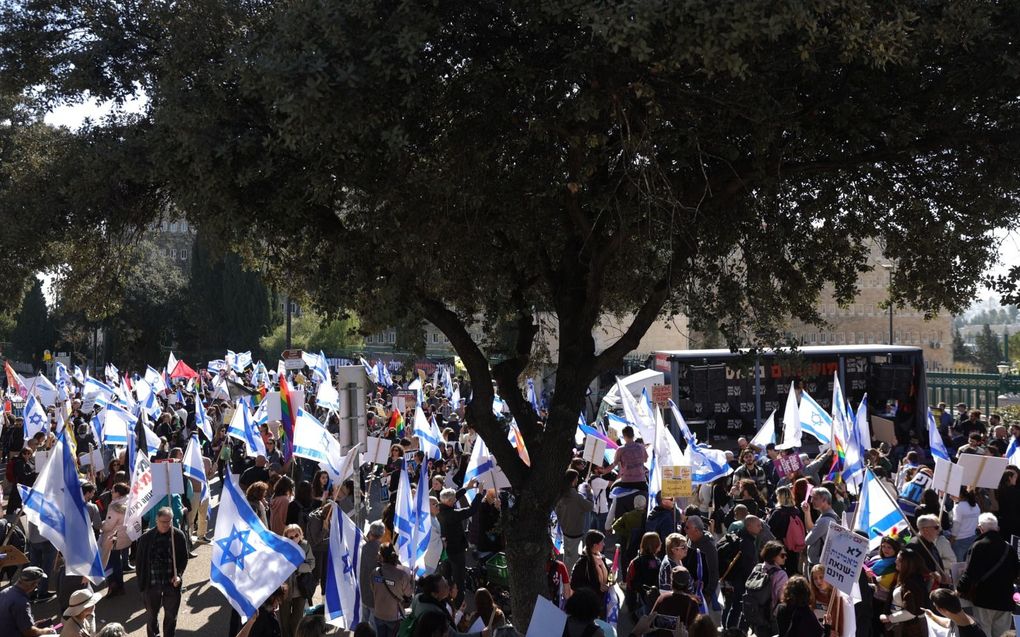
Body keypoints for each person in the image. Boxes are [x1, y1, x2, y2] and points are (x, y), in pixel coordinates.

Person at [956, 513, 1019, 637]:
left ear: (980, 528)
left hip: (984, 599)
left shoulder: (979, 545)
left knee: (983, 633)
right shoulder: (1009, 548)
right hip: (1005, 600)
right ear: (997, 528)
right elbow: (1016, 573)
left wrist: (959, 589)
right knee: (1003, 634)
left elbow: (971, 573)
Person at [136, 506, 188, 637]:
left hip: (171, 583)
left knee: (171, 617)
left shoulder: (178, 535)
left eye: (168, 521)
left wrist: (179, 576)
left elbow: (183, 558)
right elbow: (139, 563)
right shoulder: (146, 538)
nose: (166, 524)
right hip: (151, 584)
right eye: (162, 521)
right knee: (152, 617)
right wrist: (142, 584)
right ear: (156, 520)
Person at [437, 484, 481, 605]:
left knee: (446, 577)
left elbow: (452, 497)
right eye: (453, 500)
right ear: (450, 502)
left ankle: (445, 600)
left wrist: (467, 487)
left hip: (445, 552)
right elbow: (471, 510)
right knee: (459, 580)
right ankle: (458, 604)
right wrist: (479, 494)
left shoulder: (439, 509)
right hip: (456, 552)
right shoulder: (452, 514)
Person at [879, 547, 929, 637]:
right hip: (904, 626)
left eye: (898, 560)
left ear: (907, 564)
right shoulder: (907, 577)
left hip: (910, 629)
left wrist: (889, 618)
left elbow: (912, 612)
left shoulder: (912, 583)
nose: (895, 562)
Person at [742, 540, 788, 637]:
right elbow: (782, 598)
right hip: (771, 618)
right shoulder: (781, 574)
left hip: (756, 613)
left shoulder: (757, 568)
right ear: (773, 556)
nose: (785, 557)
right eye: (782, 555)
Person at [0, 566, 59, 636]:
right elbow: (29, 632)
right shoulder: (21, 602)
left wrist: (32, 624)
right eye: (37, 583)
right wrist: (45, 631)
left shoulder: (4, 592)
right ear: (33, 584)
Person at [370, 543, 413, 637]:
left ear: (381, 556)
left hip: (378, 614)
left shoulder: (375, 573)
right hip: (393, 616)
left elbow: (373, 589)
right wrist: (411, 580)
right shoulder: (402, 575)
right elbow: (409, 593)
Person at [281, 525, 315, 637]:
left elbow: (311, 564)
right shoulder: (282, 547)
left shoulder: (305, 546)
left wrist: (298, 566)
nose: (294, 538)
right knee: (284, 619)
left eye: (296, 535)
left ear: (300, 535)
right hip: (285, 590)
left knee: (297, 620)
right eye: (291, 537)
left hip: (300, 590)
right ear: (286, 537)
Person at [556, 470, 594, 570]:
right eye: (576, 478)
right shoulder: (576, 497)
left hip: (565, 529)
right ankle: (568, 580)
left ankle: (564, 574)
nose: (578, 480)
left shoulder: (561, 494)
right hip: (574, 530)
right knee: (572, 558)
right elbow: (590, 506)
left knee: (567, 555)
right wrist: (590, 493)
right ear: (573, 480)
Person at [648, 566, 701, 636]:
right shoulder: (692, 603)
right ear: (688, 584)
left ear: (671, 582)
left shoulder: (662, 598)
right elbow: (696, 630)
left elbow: (649, 622)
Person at [766, 485, 805, 575]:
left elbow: (769, 528)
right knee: (793, 567)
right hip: (794, 544)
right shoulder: (797, 511)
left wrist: (768, 516)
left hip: (780, 545)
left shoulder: (777, 512)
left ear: (779, 497)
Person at [570, 530, 610, 613]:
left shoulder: (601, 557)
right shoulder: (582, 563)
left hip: (598, 601)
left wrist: (609, 581)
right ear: (595, 545)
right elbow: (574, 584)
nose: (604, 544)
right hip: (587, 605)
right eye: (602, 542)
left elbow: (607, 574)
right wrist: (597, 587)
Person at [625, 532, 661, 617]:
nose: (661, 543)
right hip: (645, 601)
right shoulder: (654, 562)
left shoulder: (636, 560)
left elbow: (629, 582)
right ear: (655, 545)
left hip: (634, 599)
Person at [802, 487, 839, 567]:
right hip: (821, 562)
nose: (812, 501)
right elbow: (811, 530)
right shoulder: (829, 515)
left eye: (815, 498)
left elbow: (808, 540)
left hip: (818, 564)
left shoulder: (825, 520)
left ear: (824, 500)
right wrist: (807, 513)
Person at [359, 521, 386, 624]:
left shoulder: (364, 547)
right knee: (373, 626)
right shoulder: (383, 550)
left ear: (370, 533)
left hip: (364, 591)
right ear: (382, 534)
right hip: (376, 596)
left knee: (364, 622)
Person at [950, 487, 981, 562]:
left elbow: (956, 526)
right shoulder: (976, 506)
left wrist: (952, 540)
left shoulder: (958, 507)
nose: (950, 497)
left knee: (959, 567)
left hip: (960, 541)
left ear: (959, 495)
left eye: (951, 494)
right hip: (972, 538)